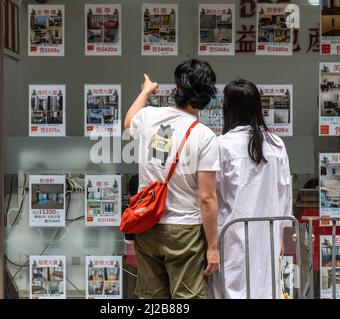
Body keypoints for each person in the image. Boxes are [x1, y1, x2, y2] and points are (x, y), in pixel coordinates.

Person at [124, 59, 220, 299]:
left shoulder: (149, 118)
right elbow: (207, 198)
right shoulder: (204, 136)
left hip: (147, 224)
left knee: (153, 299)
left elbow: (128, 123)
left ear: (177, 88)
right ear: (207, 97)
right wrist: (213, 247)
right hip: (185, 230)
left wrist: (145, 91)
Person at [210, 79, 292, 299]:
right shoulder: (276, 144)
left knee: (231, 290)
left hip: (231, 235)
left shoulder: (222, 145)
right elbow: (284, 193)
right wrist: (281, 234)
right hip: (268, 237)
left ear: (228, 108)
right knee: (266, 288)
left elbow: (213, 196)